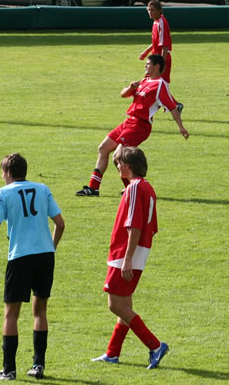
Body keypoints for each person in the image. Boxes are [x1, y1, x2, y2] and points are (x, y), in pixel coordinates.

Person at [0, 153, 66, 381]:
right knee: (40, 310)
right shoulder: (43, 188)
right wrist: (50, 248)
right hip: (45, 256)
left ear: (7, 173)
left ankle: (9, 369)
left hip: (20, 257)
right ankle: (38, 365)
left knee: (11, 314)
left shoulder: (3, 193)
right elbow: (60, 224)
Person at [90, 146, 169, 369]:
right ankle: (112, 353)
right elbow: (149, 226)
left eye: (120, 164)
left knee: (115, 304)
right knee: (125, 304)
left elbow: (134, 224)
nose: (117, 166)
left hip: (125, 253)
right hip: (137, 251)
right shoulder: (145, 187)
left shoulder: (134, 188)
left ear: (129, 166)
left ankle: (155, 345)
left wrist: (127, 258)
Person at [76, 54, 189, 197]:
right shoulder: (144, 81)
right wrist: (130, 87)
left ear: (157, 66)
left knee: (118, 156)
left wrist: (181, 126)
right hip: (129, 122)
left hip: (140, 126)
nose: (145, 66)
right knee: (103, 148)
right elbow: (123, 94)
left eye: (148, 64)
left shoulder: (160, 85)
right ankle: (93, 188)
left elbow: (172, 107)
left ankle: (133, 189)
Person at [139, 0, 183, 114]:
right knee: (153, 82)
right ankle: (173, 105)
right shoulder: (156, 22)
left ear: (159, 11)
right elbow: (156, 42)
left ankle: (171, 105)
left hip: (161, 59)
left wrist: (161, 64)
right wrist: (145, 52)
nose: (150, 12)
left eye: (152, 10)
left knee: (157, 84)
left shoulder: (162, 23)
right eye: (148, 10)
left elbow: (164, 46)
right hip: (156, 58)